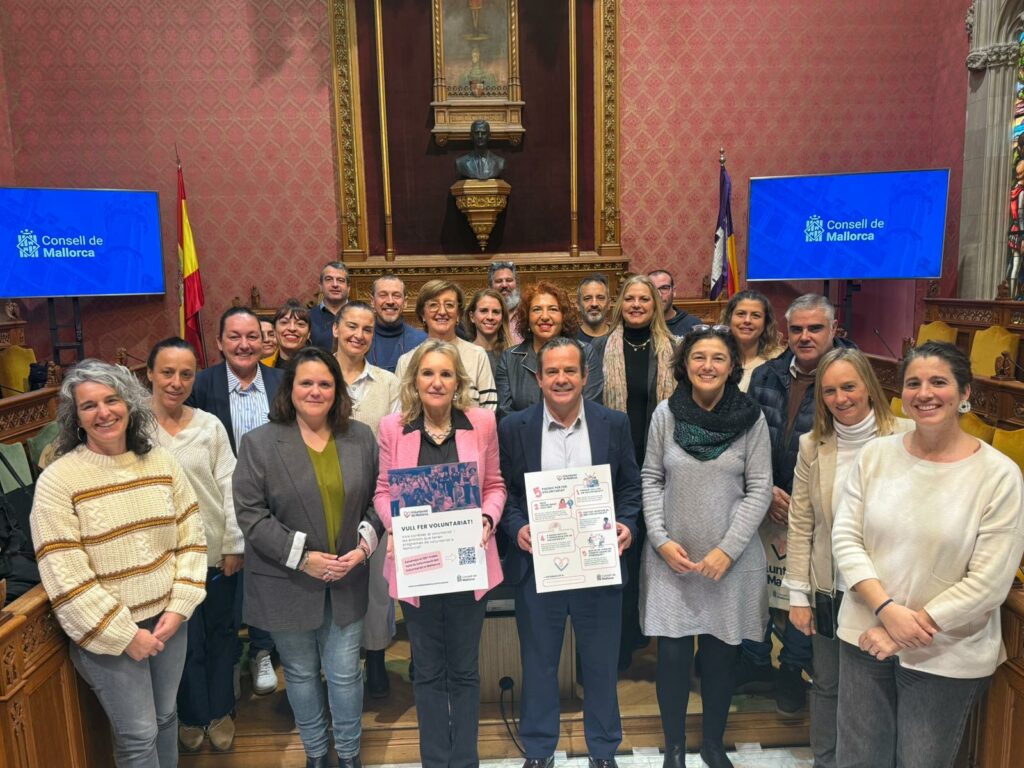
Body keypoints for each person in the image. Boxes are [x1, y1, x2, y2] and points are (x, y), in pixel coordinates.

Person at [832, 342, 1024, 768]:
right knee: (858, 759)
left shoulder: (998, 475)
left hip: (945, 649)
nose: (924, 393)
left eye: (939, 382)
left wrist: (907, 628)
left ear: (965, 392)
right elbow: (845, 537)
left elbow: (989, 581)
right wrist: (886, 611)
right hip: (865, 631)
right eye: (913, 383)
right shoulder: (876, 455)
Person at [30, 359, 207, 767]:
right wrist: (125, 634)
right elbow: (64, 573)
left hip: (169, 622)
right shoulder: (59, 479)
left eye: (112, 400)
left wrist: (180, 607)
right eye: (89, 405)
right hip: (108, 633)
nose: (103, 412)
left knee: (166, 718)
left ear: (130, 403)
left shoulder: (162, 462)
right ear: (75, 417)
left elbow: (192, 537)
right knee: (139, 735)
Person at [233, 346, 384, 768]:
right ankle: (316, 754)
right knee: (299, 673)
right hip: (287, 580)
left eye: (325, 383)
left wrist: (362, 548)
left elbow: (379, 499)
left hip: (347, 575)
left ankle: (349, 755)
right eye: (306, 383)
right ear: (290, 388)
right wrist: (302, 558)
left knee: (345, 673)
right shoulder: (259, 443)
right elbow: (251, 515)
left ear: (337, 390)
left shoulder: (360, 437)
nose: (315, 391)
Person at [499, 336, 640, 768]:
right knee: (539, 664)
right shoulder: (514, 427)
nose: (561, 379)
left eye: (570, 371)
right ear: (538, 378)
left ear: (585, 376)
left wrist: (627, 525)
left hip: (598, 565)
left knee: (600, 665)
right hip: (539, 566)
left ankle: (603, 750)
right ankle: (539, 750)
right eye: (552, 371)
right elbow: (506, 492)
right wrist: (517, 528)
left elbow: (630, 487)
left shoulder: (613, 423)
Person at [641, 325, 772, 768]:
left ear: (732, 365)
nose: (708, 366)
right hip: (671, 561)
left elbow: (760, 488)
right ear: (685, 365)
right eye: (698, 357)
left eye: (718, 358)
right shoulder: (666, 414)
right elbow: (651, 478)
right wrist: (660, 540)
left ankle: (713, 745)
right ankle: (675, 748)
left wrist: (727, 550)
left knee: (720, 659)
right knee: (673, 660)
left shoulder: (751, 419)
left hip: (728, 562)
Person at [375, 340, 506, 768]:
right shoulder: (393, 427)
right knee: (428, 671)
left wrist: (487, 518)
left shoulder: (482, 422)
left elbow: (495, 486)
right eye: (428, 373)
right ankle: (435, 760)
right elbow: (382, 491)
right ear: (414, 380)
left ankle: (465, 760)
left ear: (458, 381)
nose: (436, 381)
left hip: (469, 565)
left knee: (465, 671)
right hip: (418, 568)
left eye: (445, 374)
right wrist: (394, 525)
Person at [782, 348, 912, 768]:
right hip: (830, 588)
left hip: (891, 593)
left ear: (869, 387)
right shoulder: (813, 445)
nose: (841, 399)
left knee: (879, 691)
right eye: (830, 391)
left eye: (849, 387)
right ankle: (826, 761)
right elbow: (802, 522)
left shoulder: (906, 436)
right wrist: (798, 596)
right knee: (827, 685)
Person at [742, 293, 854, 714]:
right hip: (766, 498)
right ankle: (756, 662)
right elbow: (748, 434)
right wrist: (766, 488)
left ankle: (792, 668)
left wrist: (801, 500)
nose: (805, 337)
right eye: (797, 329)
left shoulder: (850, 374)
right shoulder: (767, 374)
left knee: (803, 588)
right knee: (759, 581)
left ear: (833, 329)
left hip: (819, 505)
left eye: (815, 328)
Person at [147, 337, 245, 753]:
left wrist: (234, 543)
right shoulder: (135, 429)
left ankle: (220, 711)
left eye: (186, 374)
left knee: (221, 634)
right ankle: (190, 714)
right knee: (181, 644)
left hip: (213, 552)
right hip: (161, 560)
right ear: (150, 374)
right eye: (167, 372)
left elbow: (230, 486)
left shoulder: (209, 426)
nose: (176, 382)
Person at [188, 305, 283, 696]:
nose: (244, 344)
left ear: (264, 341)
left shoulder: (282, 382)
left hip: (274, 503)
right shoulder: (201, 385)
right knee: (227, 582)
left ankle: (262, 650)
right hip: (219, 502)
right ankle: (225, 660)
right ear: (219, 342)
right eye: (235, 337)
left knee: (267, 581)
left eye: (252, 336)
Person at [592, 273, 678, 669]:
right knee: (618, 553)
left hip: (660, 466)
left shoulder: (674, 349)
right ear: (620, 305)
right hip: (613, 468)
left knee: (652, 552)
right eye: (630, 299)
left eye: (645, 299)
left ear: (655, 305)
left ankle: (650, 632)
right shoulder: (598, 349)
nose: (637, 305)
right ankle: (621, 640)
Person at [333, 301, 401, 698]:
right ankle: (338, 666)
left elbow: (395, 439)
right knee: (337, 580)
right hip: (329, 494)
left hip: (376, 496)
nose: (359, 335)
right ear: (336, 330)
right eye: (352, 326)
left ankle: (375, 657)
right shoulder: (318, 375)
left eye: (368, 329)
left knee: (378, 583)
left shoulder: (388, 382)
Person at [496, 280, 603, 420]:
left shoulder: (585, 352)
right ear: (527, 317)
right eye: (537, 309)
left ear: (563, 316)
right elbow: (505, 414)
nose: (545, 316)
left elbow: (591, 408)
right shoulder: (509, 358)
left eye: (553, 309)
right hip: (524, 433)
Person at [394, 279, 498, 411]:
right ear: (422, 314)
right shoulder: (406, 361)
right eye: (433, 305)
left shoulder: (477, 355)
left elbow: (489, 410)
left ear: (458, 314)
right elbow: (401, 413)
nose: (442, 311)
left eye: (449, 305)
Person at [719, 289, 785, 391]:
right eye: (741, 314)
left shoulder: (778, 361)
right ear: (729, 318)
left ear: (766, 323)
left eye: (756, 315)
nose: (747, 320)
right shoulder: (714, 357)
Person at [366, 273, 427, 373]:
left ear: (405, 302)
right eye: (383, 295)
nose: (390, 301)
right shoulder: (360, 340)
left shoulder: (422, 341)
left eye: (396, 295)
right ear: (372, 301)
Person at [463, 287, 513, 375]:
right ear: (472, 316)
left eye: (496, 312)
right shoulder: (462, 354)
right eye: (484, 311)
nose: (490, 317)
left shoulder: (513, 355)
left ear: (502, 318)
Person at [310, 261, 350, 350]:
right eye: (329, 279)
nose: (335, 285)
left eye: (340, 280)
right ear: (321, 286)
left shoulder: (361, 316)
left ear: (348, 288)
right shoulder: (308, 318)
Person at [649, 270, 701, 337]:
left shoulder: (693, 325)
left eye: (664, 288)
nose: (659, 295)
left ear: (674, 292)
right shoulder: (641, 323)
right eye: (653, 289)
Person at [265, 299, 311, 369]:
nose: (292, 328)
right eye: (284, 322)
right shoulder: (261, 366)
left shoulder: (320, 366)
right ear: (274, 330)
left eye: (300, 324)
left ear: (309, 333)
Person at [577, 273, 612, 341]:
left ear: (609, 304)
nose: (594, 304)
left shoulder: (619, 337)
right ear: (578, 305)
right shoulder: (569, 340)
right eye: (587, 298)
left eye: (600, 298)